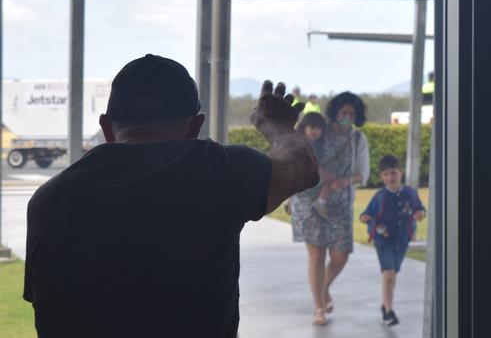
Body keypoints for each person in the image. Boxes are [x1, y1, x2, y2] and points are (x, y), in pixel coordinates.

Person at [22, 54, 319, 338]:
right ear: (195, 127)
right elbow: (303, 168)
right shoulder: (220, 171)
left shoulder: (47, 200)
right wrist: (275, 125)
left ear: (107, 129)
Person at [291, 92, 370, 325]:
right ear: (335, 112)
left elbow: (363, 174)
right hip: (309, 200)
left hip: (340, 202)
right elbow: (301, 153)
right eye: (344, 112)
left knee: (340, 254)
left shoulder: (357, 139)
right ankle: (318, 308)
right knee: (316, 255)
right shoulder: (319, 130)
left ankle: (323, 288)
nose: (347, 116)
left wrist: (343, 181)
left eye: (352, 113)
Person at [359, 155, 426, 327]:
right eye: (386, 174)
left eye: (393, 173)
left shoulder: (410, 193)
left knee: (393, 273)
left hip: (402, 240)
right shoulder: (380, 196)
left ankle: (385, 304)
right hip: (383, 240)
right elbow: (366, 214)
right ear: (382, 177)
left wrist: (420, 215)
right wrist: (365, 217)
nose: (390, 177)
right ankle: (388, 311)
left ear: (400, 172)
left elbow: (420, 209)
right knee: (388, 274)